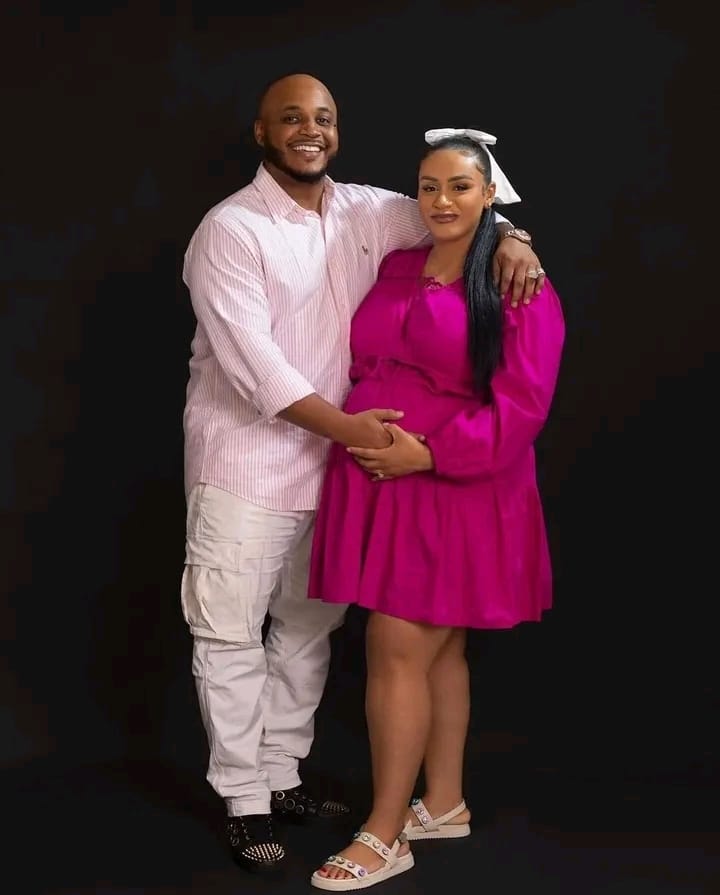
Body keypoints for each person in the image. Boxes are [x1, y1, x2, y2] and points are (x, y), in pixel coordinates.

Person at [181, 72, 546, 874]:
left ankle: (283, 776)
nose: (309, 129)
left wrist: (515, 237)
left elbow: (461, 204)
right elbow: (258, 370)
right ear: (262, 132)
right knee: (231, 632)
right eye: (290, 118)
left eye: (323, 117)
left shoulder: (365, 210)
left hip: (348, 475)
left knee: (307, 630)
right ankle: (244, 799)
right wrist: (358, 432)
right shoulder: (230, 230)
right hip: (252, 463)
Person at [308, 129, 565, 890]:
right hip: (384, 482)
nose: (441, 200)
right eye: (428, 186)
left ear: (490, 194)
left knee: (396, 646)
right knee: (439, 651)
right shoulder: (397, 261)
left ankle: (385, 833)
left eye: (459, 186)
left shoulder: (518, 284)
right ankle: (445, 802)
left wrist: (427, 453)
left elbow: (523, 406)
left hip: (457, 484)